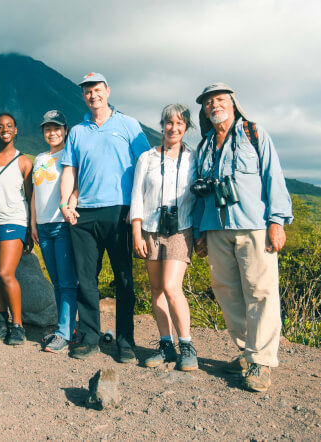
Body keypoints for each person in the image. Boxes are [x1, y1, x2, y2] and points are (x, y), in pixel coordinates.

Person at [192, 83, 293, 392]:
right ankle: (248, 351)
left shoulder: (254, 133)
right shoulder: (205, 144)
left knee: (260, 291)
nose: (214, 105)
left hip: (254, 225)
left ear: (233, 103)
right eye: (208, 102)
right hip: (216, 227)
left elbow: (273, 175)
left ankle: (261, 362)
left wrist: (277, 220)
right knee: (226, 291)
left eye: (220, 99)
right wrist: (198, 231)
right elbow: (199, 192)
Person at [59, 72, 151, 361]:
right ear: (83, 95)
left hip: (120, 211)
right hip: (83, 214)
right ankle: (88, 337)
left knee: (124, 279)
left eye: (97, 89)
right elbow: (69, 170)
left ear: (107, 91)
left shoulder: (128, 125)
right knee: (85, 279)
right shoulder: (77, 131)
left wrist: (139, 210)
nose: (92, 95)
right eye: (87, 91)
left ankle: (125, 342)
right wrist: (66, 202)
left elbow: (146, 167)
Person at [129, 104, 199, 371]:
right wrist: (137, 232)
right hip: (150, 229)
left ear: (186, 127)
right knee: (156, 289)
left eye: (180, 123)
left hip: (181, 229)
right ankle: (166, 344)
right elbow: (137, 196)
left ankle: (187, 346)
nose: (174, 128)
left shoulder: (193, 159)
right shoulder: (147, 158)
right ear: (162, 125)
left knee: (171, 287)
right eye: (169, 123)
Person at [0, 113, 34, 346]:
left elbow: (31, 198)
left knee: (5, 273)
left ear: (16, 130)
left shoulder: (24, 162)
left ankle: (18, 326)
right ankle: (1, 324)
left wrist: (32, 229)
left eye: (9, 126)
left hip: (14, 221)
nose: (5, 129)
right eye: (0, 126)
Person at [30, 110, 78, 353]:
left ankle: (64, 332)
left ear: (65, 130)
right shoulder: (39, 158)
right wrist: (33, 223)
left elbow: (76, 187)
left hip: (62, 224)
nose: (52, 132)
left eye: (57, 128)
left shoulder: (70, 156)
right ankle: (66, 327)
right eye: (48, 128)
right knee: (57, 282)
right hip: (44, 226)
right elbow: (34, 195)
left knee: (67, 281)